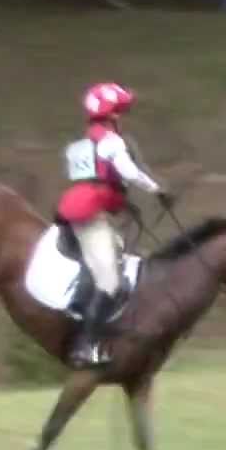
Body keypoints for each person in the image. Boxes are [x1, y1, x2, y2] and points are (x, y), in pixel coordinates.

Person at [56, 82, 173, 367]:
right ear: (114, 115)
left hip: (76, 208)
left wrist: (117, 199)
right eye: (121, 112)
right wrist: (157, 189)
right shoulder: (111, 141)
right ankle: (87, 346)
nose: (122, 118)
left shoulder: (83, 142)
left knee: (114, 256)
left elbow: (97, 178)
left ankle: (83, 306)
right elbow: (128, 171)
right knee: (110, 282)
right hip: (90, 215)